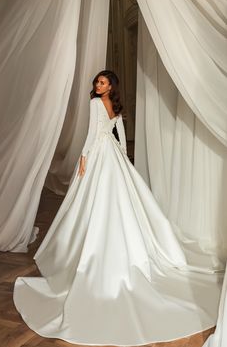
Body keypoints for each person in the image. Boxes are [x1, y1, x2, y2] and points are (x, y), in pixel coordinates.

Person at [13, 70, 222, 346]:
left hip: (100, 153)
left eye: (102, 82)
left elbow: (91, 134)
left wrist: (85, 158)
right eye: (97, 82)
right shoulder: (114, 105)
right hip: (112, 153)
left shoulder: (95, 103)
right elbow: (120, 134)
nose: (97, 85)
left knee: (92, 199)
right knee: (119, 199)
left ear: (111, 84)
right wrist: (123, 157)